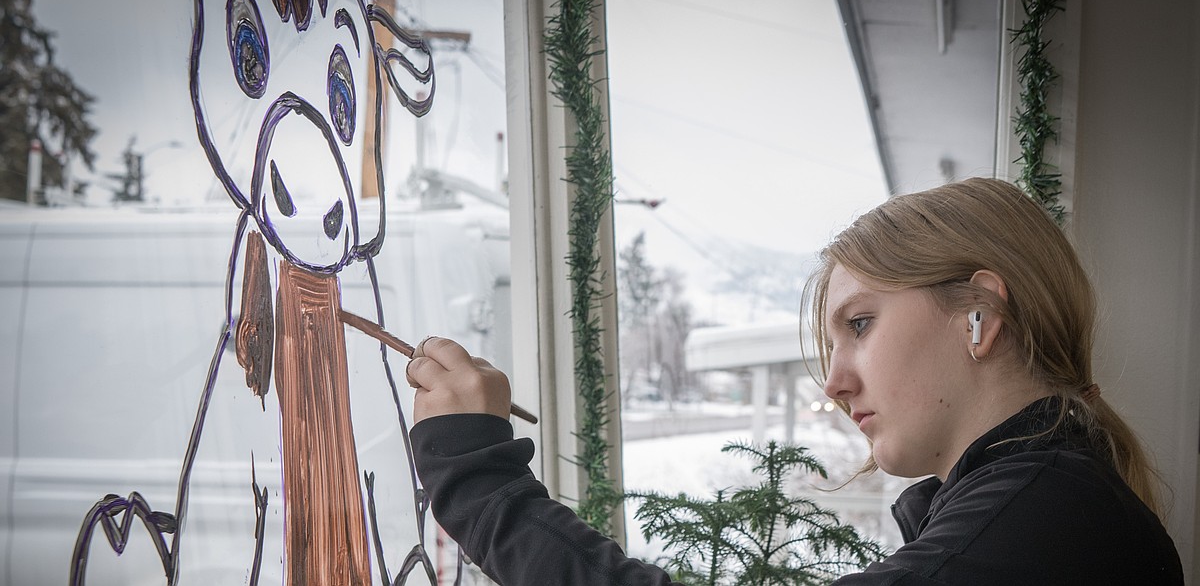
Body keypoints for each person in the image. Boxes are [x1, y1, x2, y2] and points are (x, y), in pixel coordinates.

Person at [407, 177, 1184, 584]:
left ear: (978, 314)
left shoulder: (1035, 518)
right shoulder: (1048, 500)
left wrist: (478, 478)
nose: (835, 382)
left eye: (860, 324)